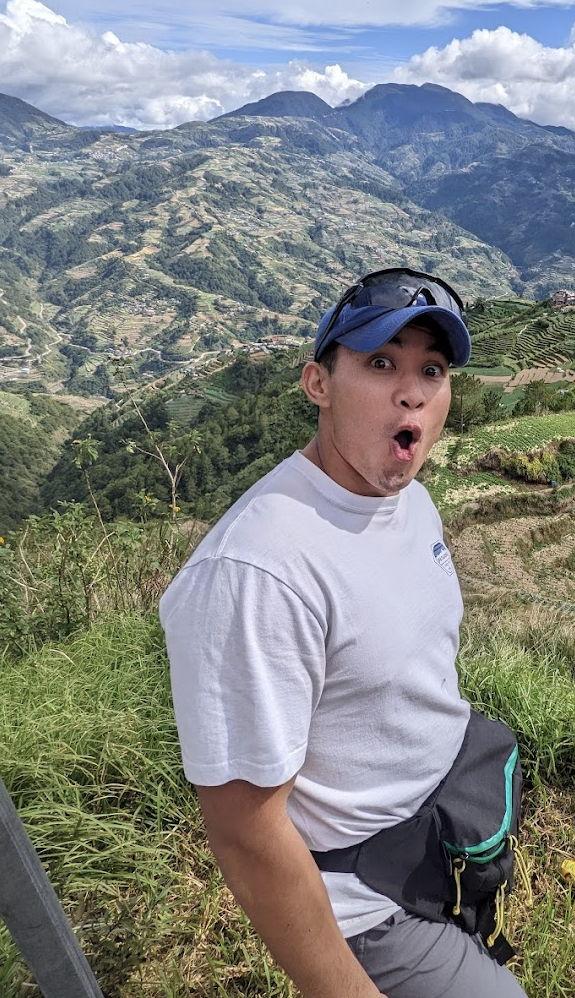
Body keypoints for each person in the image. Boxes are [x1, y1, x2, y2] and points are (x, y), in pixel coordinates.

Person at [159, 268, 527, 998]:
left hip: (442, 842)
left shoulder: (411, 504)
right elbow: (245, 832)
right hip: (367, 899)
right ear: (317, 384)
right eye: (380, 363)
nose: (412, 391)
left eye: (432, 369)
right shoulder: (259, 572)